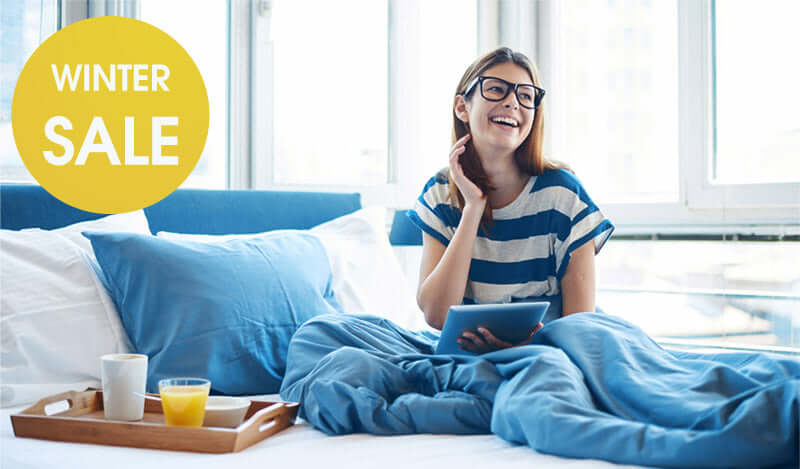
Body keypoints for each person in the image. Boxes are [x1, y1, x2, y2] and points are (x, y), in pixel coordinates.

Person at [407, 47, 614, 354]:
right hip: (464, 358)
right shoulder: (441, 193)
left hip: (549, 356)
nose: (512, 102)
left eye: (526, 96)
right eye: (496, 89)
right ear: (462, 107)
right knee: (329, 333)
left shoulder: (563, 196)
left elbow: (580, 327)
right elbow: (437, 315)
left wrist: (530, 346)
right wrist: (473, 208)